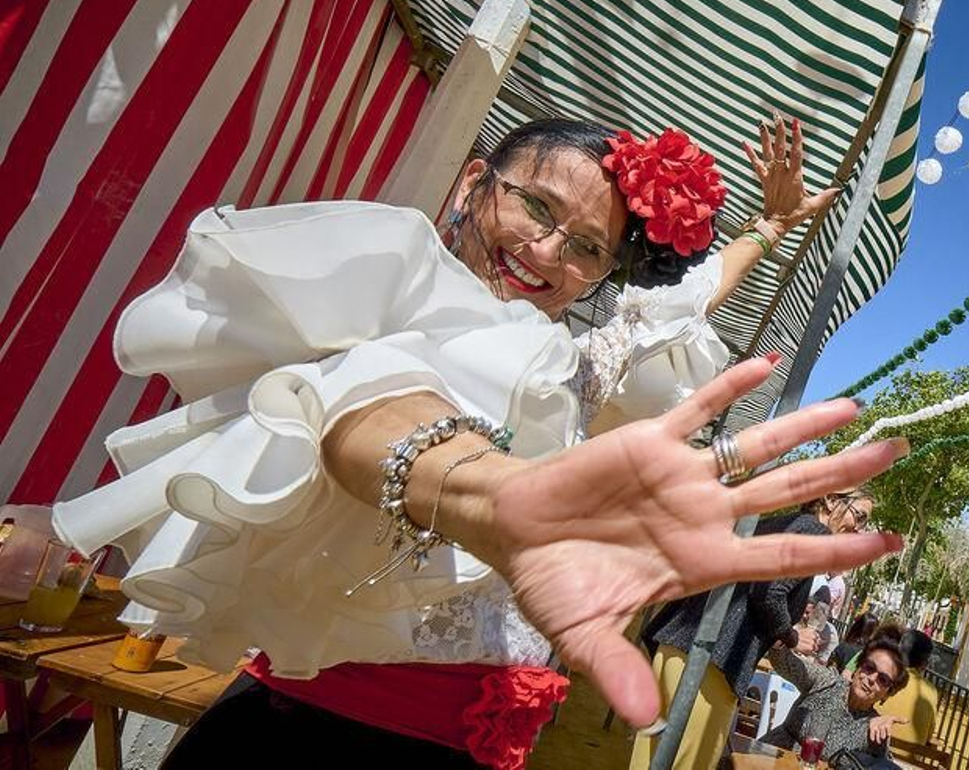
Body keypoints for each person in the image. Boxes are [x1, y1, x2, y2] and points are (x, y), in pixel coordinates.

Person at [52, 118, 905, 769]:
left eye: (586, 248)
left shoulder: (570, 369)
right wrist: (494, 498)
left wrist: (769, 227)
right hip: (308, 736)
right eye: (536, 205)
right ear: (474, 182)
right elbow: (366, 413)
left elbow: (681, 305)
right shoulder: (379, 300)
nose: (544, 252)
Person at [633, 491, 875, 769]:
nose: (859, 529)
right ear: (831, 500)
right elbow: (769, 593)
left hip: (678, 649)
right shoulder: (814, 532)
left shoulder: (782, 524)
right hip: (711, 666)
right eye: (860, 517)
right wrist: (793, 636)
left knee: (647, 760)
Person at [760, 630, 909, 761]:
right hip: (769, 759)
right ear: (857, 668)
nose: (871, 679)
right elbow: (782, 661)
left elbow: (883, 766)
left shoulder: (875, 727)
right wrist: (788, 638)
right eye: (869, 668)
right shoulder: (827, 682)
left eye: (882, 679)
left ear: (888, 694)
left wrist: (881, 738)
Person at [876, 630, 939, 746]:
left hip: (870, 751)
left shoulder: (882, 675)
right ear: (924, 663)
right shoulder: (931, 691)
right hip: (908, 761)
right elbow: (929, 735)